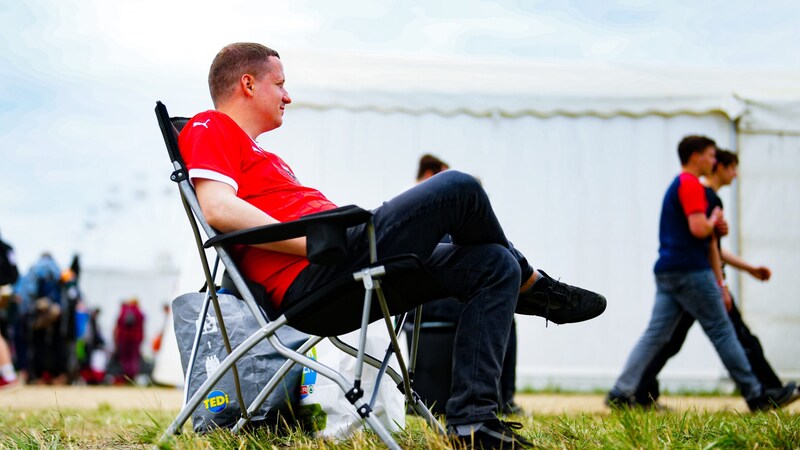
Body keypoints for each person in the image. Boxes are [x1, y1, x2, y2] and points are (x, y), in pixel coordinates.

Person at [178, 42, 606, 449]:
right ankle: (538, 290)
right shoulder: (209, 125)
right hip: (322, 270)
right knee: (458, 187)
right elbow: (217, 207)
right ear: (248, 84)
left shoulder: (266, 156)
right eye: (280, 83)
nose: (288, 96)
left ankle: (473, 422)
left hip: (341, 257)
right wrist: (314, 244)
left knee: (493, 264)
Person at [606, 136, 798, 412]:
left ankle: (621, 391)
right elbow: (699, 230)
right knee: (723, 330)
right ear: (695, 157)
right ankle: (757, 395)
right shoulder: (691, 185)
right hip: (692, 270)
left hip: (667, 270)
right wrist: (713, 223)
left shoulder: (676, 185)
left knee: (655, 335)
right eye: (710, 155)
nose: (714, 160)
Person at [113, 298, 145, 384]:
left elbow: (117, 326)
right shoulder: (139, 313)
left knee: (124, 359)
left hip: (124, 339)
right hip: (136, 339)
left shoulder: (123, 312)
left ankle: (125, 377)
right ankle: (132, 377)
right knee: (134, 359)